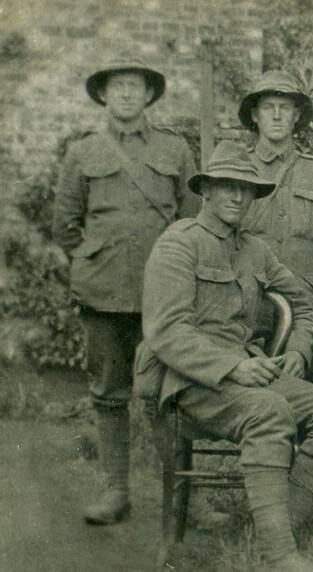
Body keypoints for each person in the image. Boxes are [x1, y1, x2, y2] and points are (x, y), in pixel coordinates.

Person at [138, 141, 313, 570]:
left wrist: (297, 348)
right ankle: (278, 555)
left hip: (248, 373)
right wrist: (235, 366)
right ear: (207, 191)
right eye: (227, 187)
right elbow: (166, 331)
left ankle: (276, 525)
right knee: (270, 411)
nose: (238, 197)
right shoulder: (178, 244)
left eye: (246, 188)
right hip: (191, 381)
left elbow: (305, 304)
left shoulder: (256, 250)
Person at [51, 56, 198, 525]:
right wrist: (99, 261)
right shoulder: (82, 152)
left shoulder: (175, 150)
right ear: (104, 95)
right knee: (109, 394)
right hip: (104, 294)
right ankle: (116, 491)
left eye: (135, 86)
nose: (127, 94)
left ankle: (185, 499)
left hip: (164, 297)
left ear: (149, 95)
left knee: (171, 395)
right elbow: (65, 227)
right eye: (118, 86)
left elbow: (193, 221)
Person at [237, 70, 313, 322]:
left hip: (306, 303)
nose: (276, 115)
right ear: (255, 115)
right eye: (268, 107)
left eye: (285, 108)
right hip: (250, 302)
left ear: (296, 115)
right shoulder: (239, 169)